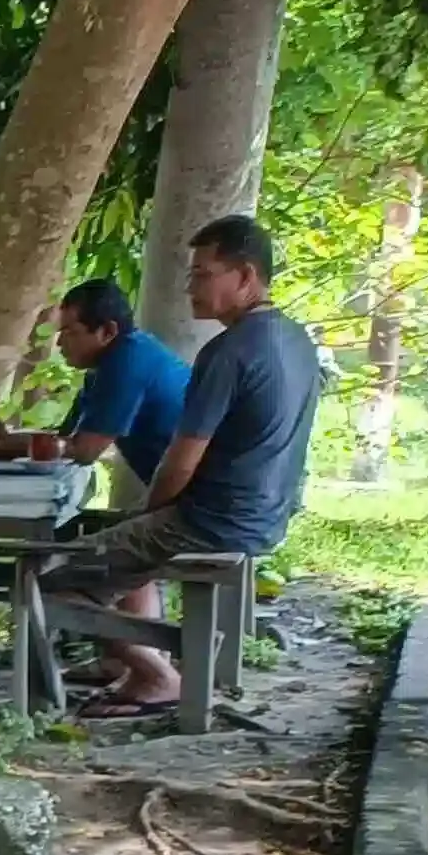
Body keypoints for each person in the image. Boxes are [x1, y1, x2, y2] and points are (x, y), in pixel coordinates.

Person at [55, 215, 321, 719]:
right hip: (270, 513)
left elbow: (180, 463)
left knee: (55, 575)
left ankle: (158, 677)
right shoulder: (296, 340)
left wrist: (146, 518)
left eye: (202, 274)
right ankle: (129, 664)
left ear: (244, 277)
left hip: (213, 520)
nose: (189, 286)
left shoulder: (227, 352)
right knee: (121, 549)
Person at [0, 277, 190, 491]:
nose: (60, 343)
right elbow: (64, 439)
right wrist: (4, 439)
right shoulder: (103, 368)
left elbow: (84, 451)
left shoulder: (128, 362)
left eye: (70, 332)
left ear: (108, 331)